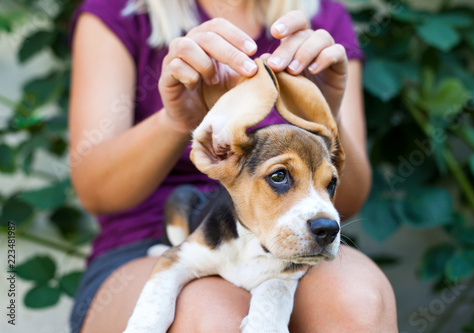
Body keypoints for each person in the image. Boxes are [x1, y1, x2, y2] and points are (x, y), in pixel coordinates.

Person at [68, 0, 398, 332]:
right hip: (149, 239)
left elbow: (345, 199)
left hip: (294, 243)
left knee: (359, 304)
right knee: (215, 319)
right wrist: (177, 120)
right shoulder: (117, 9)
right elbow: (95, 193)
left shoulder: (324, 17)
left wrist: (325, 114)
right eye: (280, 175)